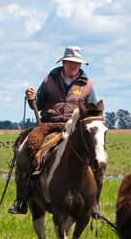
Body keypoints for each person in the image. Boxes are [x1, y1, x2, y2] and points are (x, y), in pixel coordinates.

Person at [7, 46, 98, 214]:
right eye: (70, 62)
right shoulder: (49, 80)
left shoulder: (88, 85)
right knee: (24, 151)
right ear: (63, 62)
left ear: (81, 65)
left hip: (74, 128)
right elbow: (39, 103)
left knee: (97, 158)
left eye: (76, 63)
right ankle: (22, 200)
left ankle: (94, 204)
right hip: (48, 126)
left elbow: (93, 110)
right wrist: (31, 99)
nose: (73, 66)